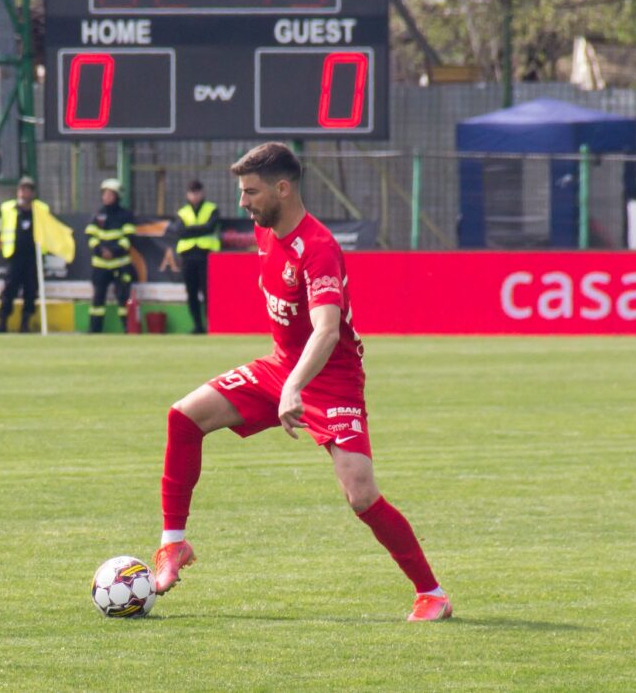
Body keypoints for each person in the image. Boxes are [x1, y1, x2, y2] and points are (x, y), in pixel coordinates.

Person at [153, 142, 451, 621]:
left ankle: (432, 593)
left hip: (330, 379)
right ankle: (173, 545)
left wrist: (294, 387)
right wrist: (285, 379)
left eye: (251, 192)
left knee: (360, 493)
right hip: (281, 367)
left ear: (283, 189)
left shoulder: (320, 250)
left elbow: (328, 330)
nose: (243, 203)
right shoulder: (264, 230)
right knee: (183, 416)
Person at [85, 178, 136, 333]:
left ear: (117, 196)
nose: (106, 197)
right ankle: (94, 331)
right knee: (97, 300)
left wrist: (113, 252)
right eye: (104, 194)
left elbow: (128, 239)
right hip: (100, 265)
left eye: (110, 194)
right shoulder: (97, 215)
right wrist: (101, 251)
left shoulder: (126, 215)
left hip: (120, 264)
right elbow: (90, 237)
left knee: (123, 299)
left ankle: (128, 329)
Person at [172, 180, 220, 334]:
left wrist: (190, 229)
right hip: (188, 257)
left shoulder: (211, 209)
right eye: (192, 192)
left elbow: (210, 227)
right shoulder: (182, 212)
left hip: (206, 256)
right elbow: (180, 231)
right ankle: (198, 326)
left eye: (197, 192)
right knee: (191, 292)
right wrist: (200, 229)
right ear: (187, 194)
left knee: (208, 292)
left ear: (202, 192)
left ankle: (211, 325)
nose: (195, 196)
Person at [0, 176, 41, 333]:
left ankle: (25, 323)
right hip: (14, 256)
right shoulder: (8, 208)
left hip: (33, 258)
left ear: (33, 193)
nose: (24, 193)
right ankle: (2, 322)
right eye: (22, 190)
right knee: (9, 289)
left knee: (30, 290)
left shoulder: (40, 210)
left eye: (27, 190)